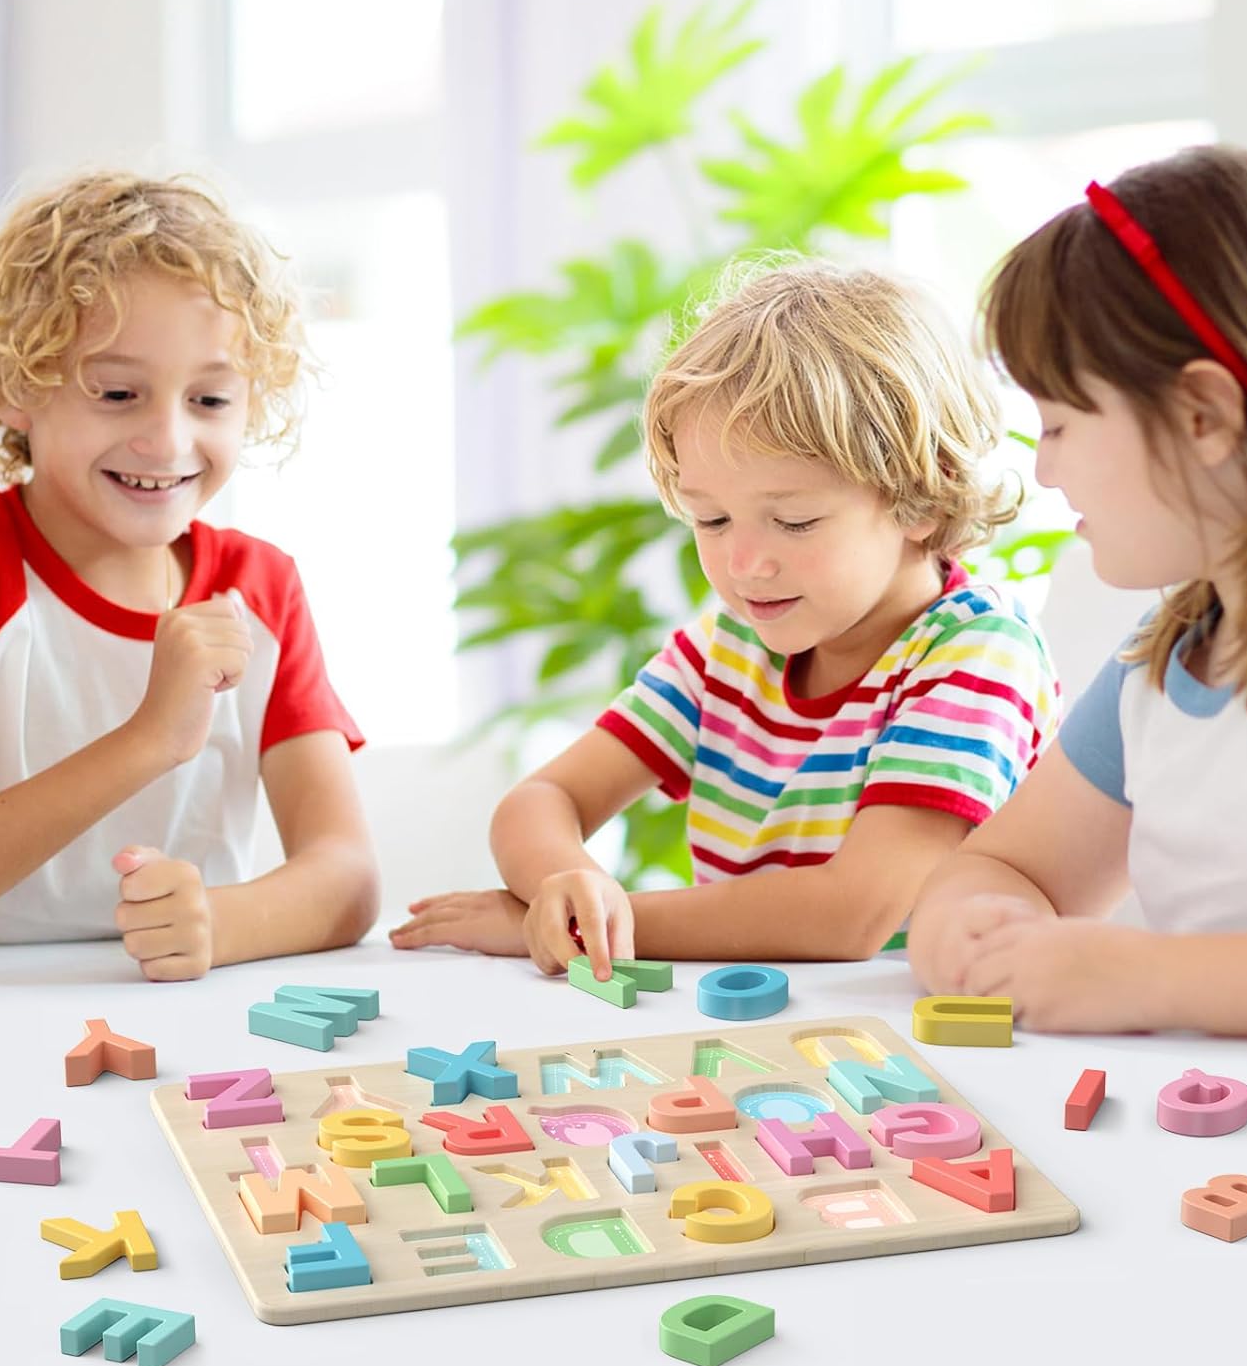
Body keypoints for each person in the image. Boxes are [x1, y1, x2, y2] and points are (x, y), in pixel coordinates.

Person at [393, 260, 1058, 976]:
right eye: (710, 518)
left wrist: (602, 928)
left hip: (939, 1037)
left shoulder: (977, 653)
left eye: (794, 522)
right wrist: (567, 887)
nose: (744, 565)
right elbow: (543, 798)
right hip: (768, 1026)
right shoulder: (730, 646)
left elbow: (853, 916)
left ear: (924, 501)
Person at [907, 144, 1247, 1043]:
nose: (1045, 467)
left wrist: (1153, 979)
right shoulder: (1165, 660)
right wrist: (975, 925)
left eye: (1058, 422)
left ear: (1203, 415)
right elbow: (1014, 870)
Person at [0, 171, 378, 976]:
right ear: (20, 385)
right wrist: (149, 740)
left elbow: (347, 876)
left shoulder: (260, 588)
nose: (167, 441)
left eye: (211, 400)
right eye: (118, 392)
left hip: (188, 1034)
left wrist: (222, 926)